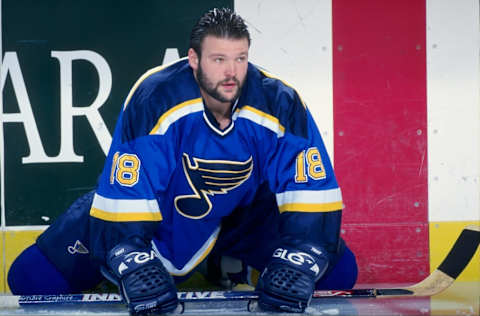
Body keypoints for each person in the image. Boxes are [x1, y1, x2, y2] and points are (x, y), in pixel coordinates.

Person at [8, 7, 358, 314]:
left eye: (240, 58)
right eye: (219, 59)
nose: (232, 71)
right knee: (30, 278)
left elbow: (311, 191)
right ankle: (201, 260)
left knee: (340, 272)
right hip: (159, 215)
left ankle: (224, 259)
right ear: (194, 59)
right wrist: (129, 259)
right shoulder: (156, 96)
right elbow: (127, 194)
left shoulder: (279, 101)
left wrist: (304, 253)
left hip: (239, 215)